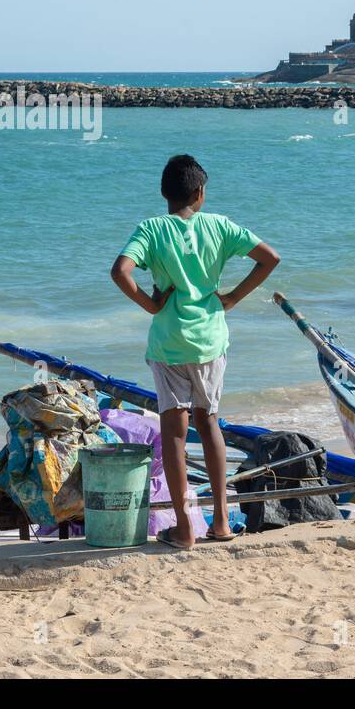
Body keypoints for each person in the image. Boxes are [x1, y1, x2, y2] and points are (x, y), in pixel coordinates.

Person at [111, 154, 280, 548]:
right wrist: (233, 297)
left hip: (169, 343)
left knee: (174, 432)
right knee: (210, 425)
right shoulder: (219, 225)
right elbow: (270, 258)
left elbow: (120, 272)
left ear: (163, 193)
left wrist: (151, 305)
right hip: (209, 341)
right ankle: (221, 522)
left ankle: (185, 528)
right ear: (200, 193)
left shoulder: (152, 229)